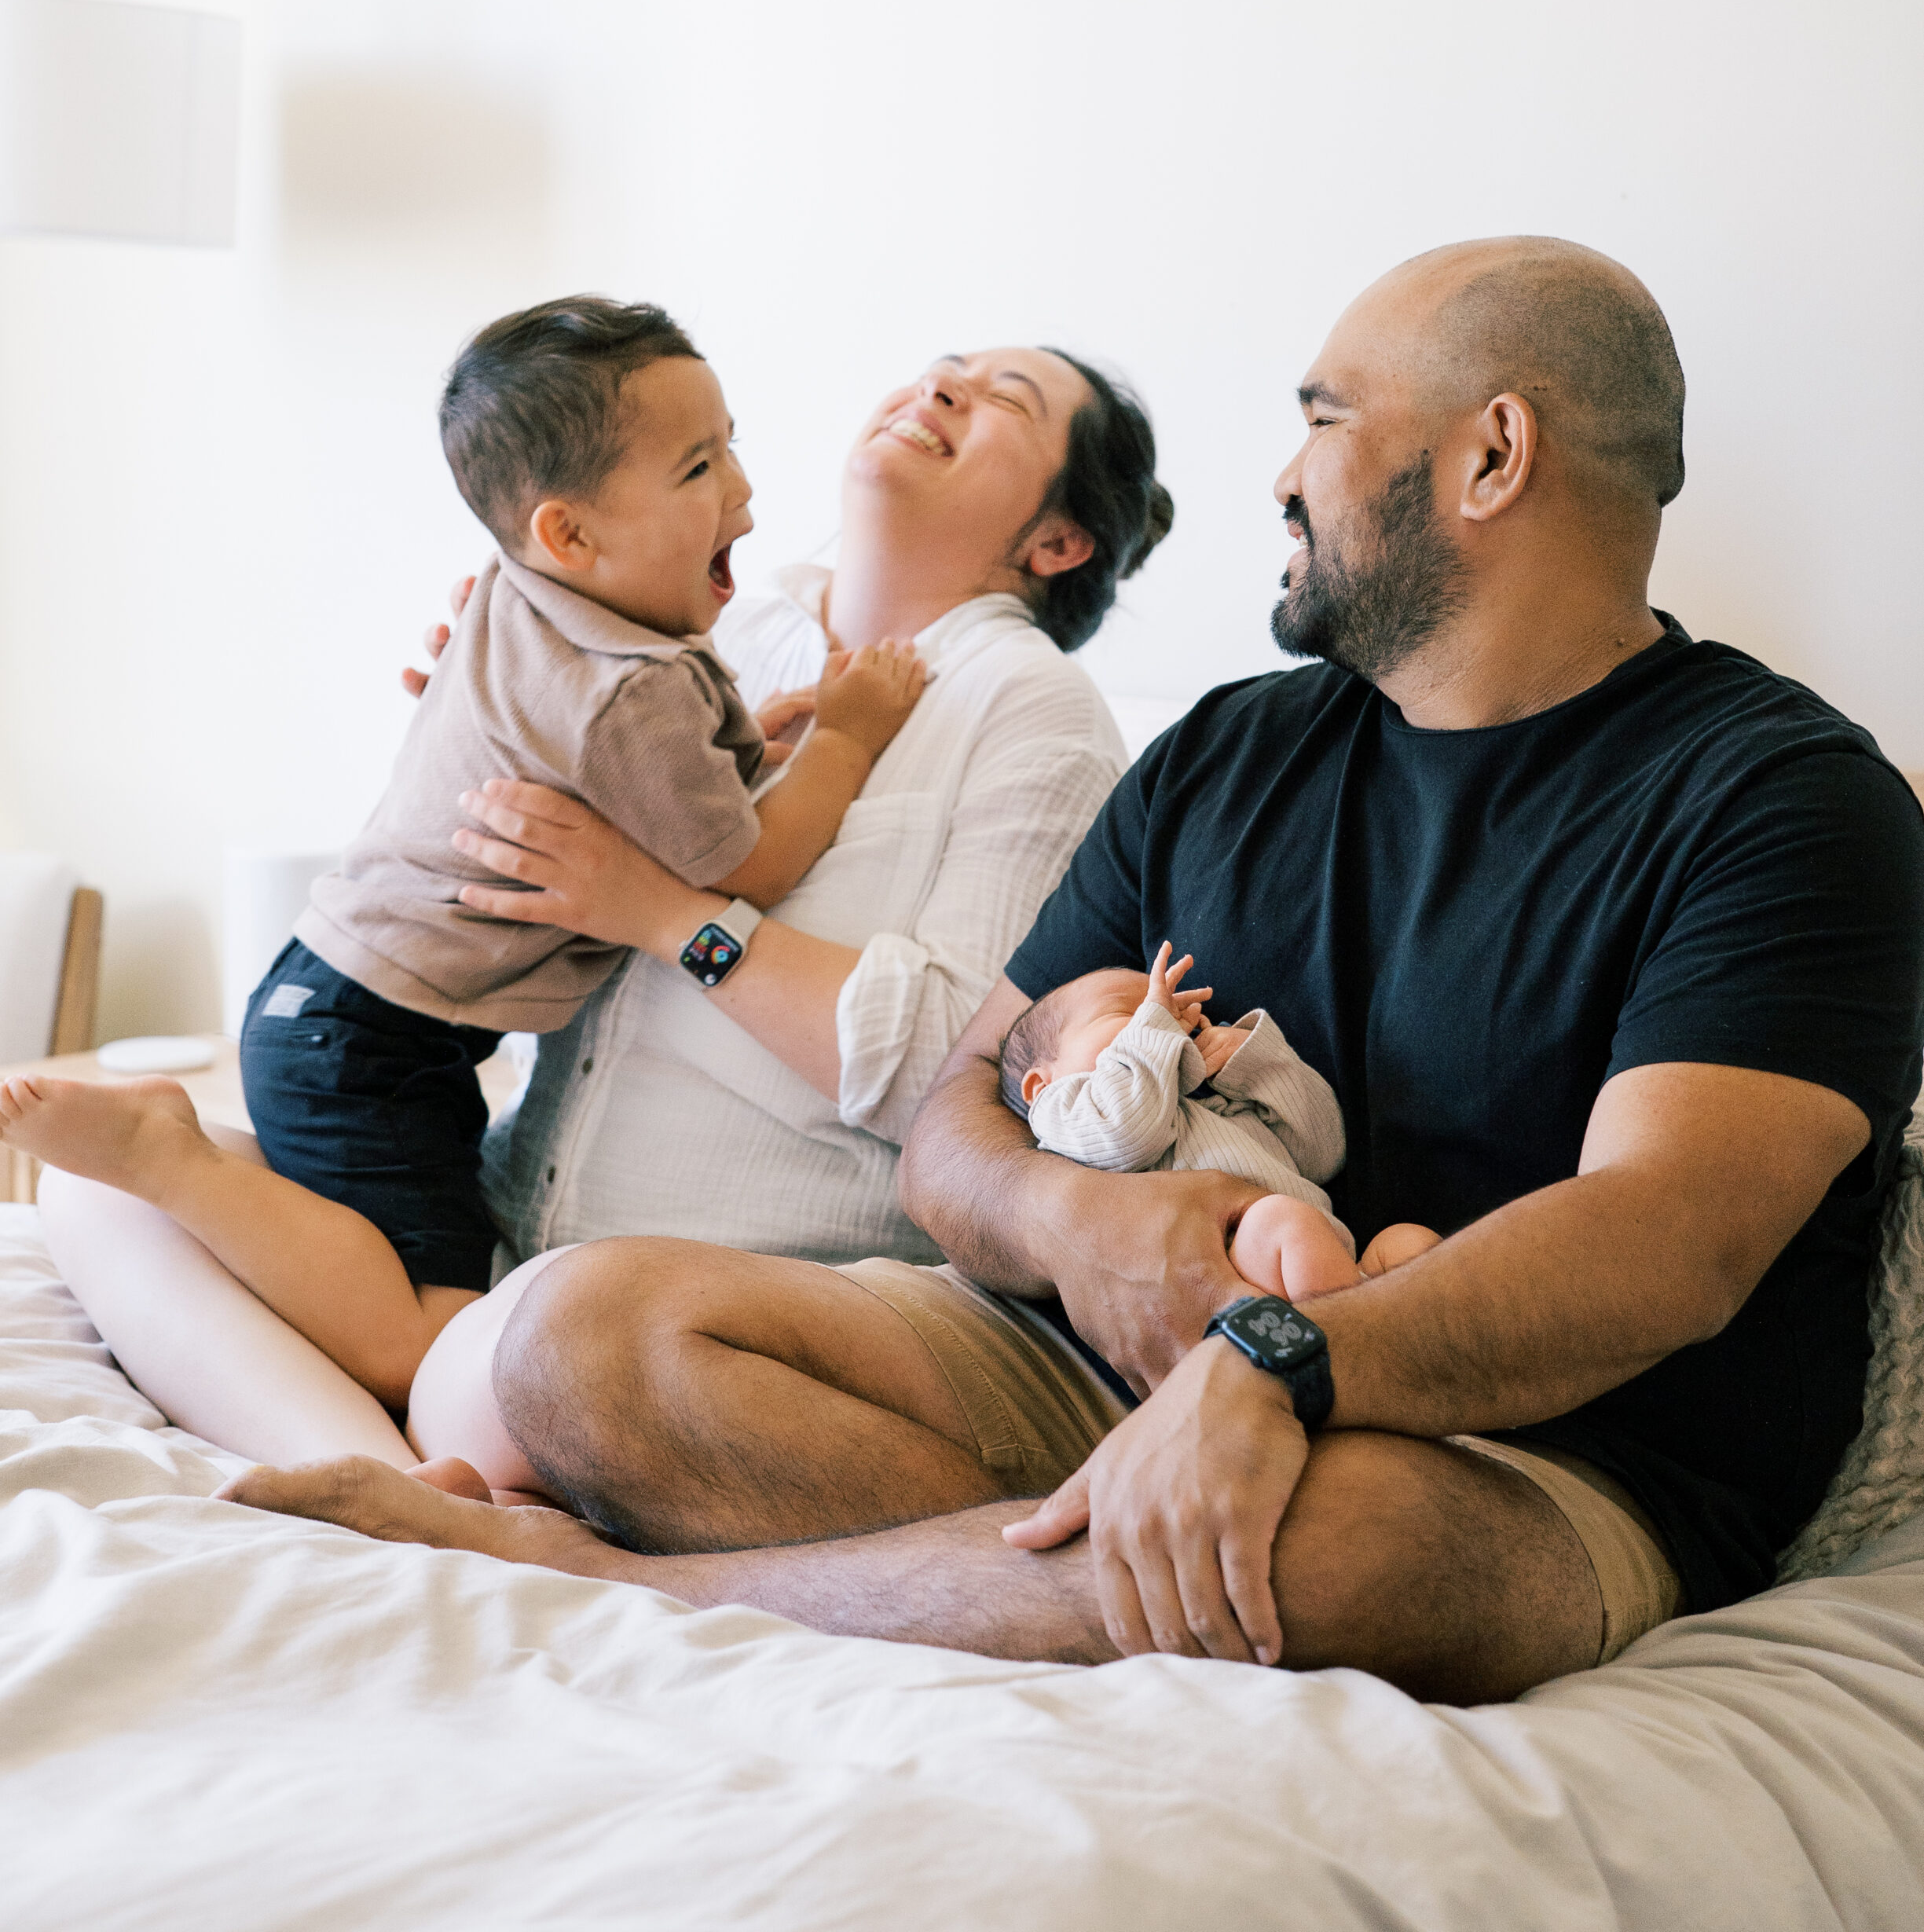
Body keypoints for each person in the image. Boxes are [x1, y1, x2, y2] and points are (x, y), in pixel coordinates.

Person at [212, 236, 1924, 1710]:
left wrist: (1279, 1363)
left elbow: (1669, 1241)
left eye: (1325, 420)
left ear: (1491, 457)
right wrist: (1063, 1224)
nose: (1278, 476)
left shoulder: (1785, 799)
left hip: (1533, 1455)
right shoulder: (1226, 754)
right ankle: (1031, 1562)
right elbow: (962, 1101)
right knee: (580, 1332)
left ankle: (610, 1590)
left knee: (1340, 1547)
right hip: (1095, 1364)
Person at [32, 342, 1172, 1472]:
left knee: (508, 1358)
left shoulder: (1034, 712)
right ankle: (398, 1484)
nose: (941, 386)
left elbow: (958, 1082)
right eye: (944, 368)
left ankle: (408, 1457)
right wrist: (484, 726)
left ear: (1057, 541)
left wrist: (666, 913)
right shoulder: (703, 624)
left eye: (1001, 398)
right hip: (504, 1233)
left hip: (686, 1295)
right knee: (89, 1191)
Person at [1002, 942, 1438, 1297]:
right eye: (1131, 1015)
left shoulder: (1215, 1107)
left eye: (1171, 1015)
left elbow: (1324, 1153)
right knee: (1283, 1221)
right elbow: (1125, 1132)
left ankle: (1388, 1348)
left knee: (1408, 1243)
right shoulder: (1065, 1114)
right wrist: (1151, 1027)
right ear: (1041, 1083)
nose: (1167, 1021)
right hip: (1223, 1278)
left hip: (1324, 1265)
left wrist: (1257, 1063)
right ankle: (1351, 1347)